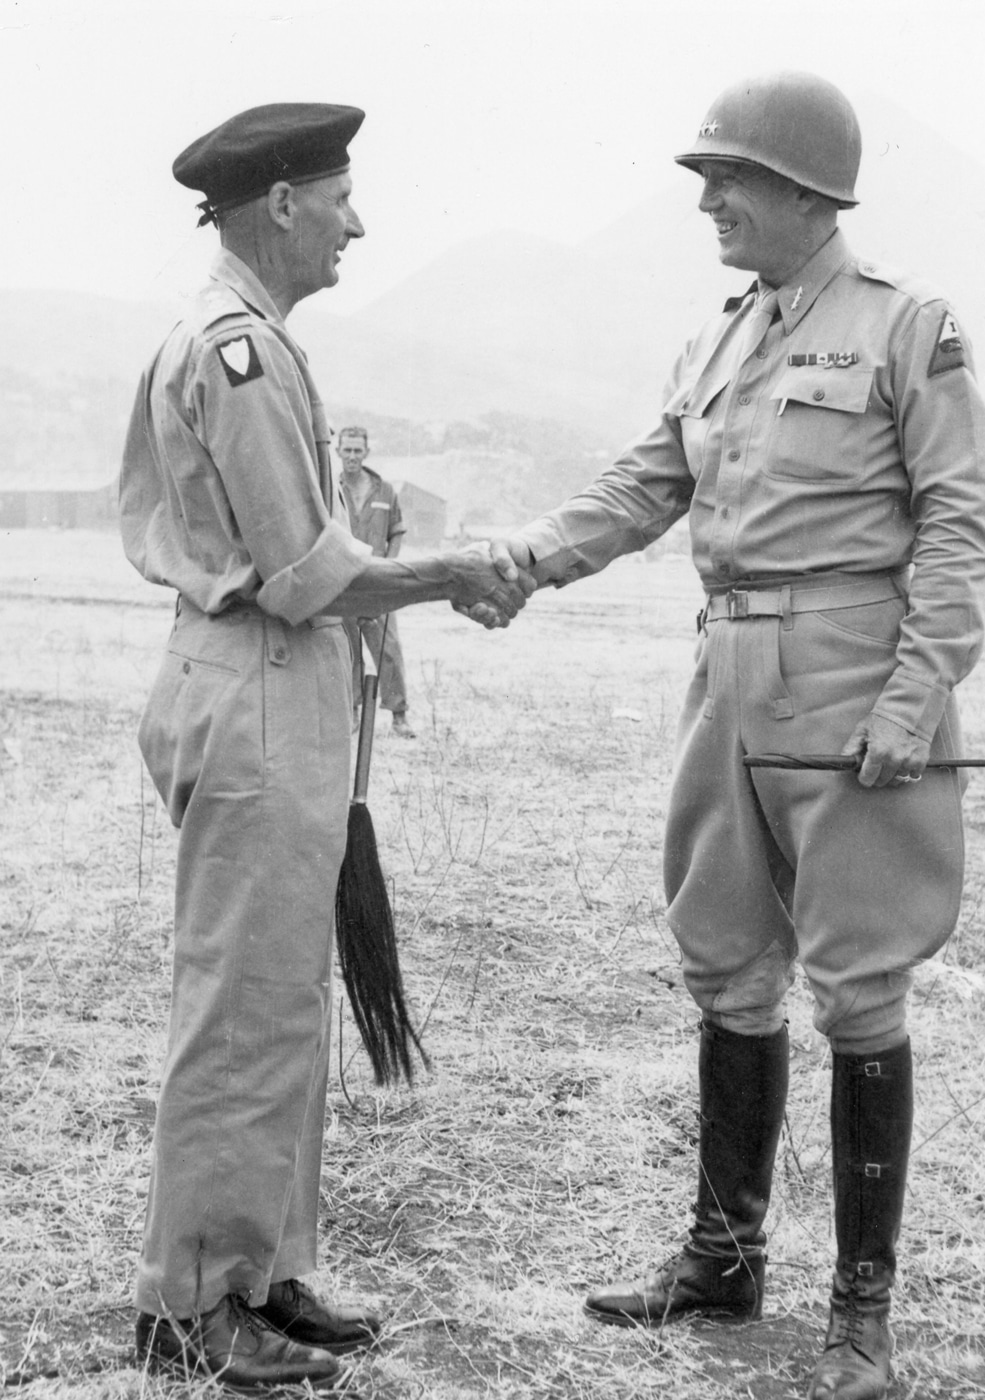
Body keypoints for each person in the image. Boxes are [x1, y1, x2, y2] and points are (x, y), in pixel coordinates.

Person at [486, 72, 985, 1400]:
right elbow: (643, 483)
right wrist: (524, 560)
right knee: (722, 956)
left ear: (801, 190)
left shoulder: (907, 330)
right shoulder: (714, 343)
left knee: (859, 983)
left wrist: (910, 697)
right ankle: (724, 1259)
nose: (707, 199)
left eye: (727, 177)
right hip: (725, 672)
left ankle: (861, 1323)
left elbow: (956, 532)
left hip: (852, 678)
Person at [119, 102, 533, 1391]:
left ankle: (264, 1268)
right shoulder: (237, 352)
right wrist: (448, 569)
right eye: (343, 196)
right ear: (283, 203)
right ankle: (193, 1301)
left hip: (277, 691)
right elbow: (302, 570)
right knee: (240, 1010)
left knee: (282, 1000)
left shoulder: (260, 344)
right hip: (254, 686)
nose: (359, 220)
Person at [335, 425, 415, 738]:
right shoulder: (330, 488)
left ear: (366, 453)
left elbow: (396, 531)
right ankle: (352, 714)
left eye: (358, 450)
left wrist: (390, 567)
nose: (352, 456)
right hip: (342, 582)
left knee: (387, 649)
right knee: (347, 648)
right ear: (338, 451)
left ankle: (399, 716)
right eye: (347, 450)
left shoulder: (385, 491)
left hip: (378, 583)